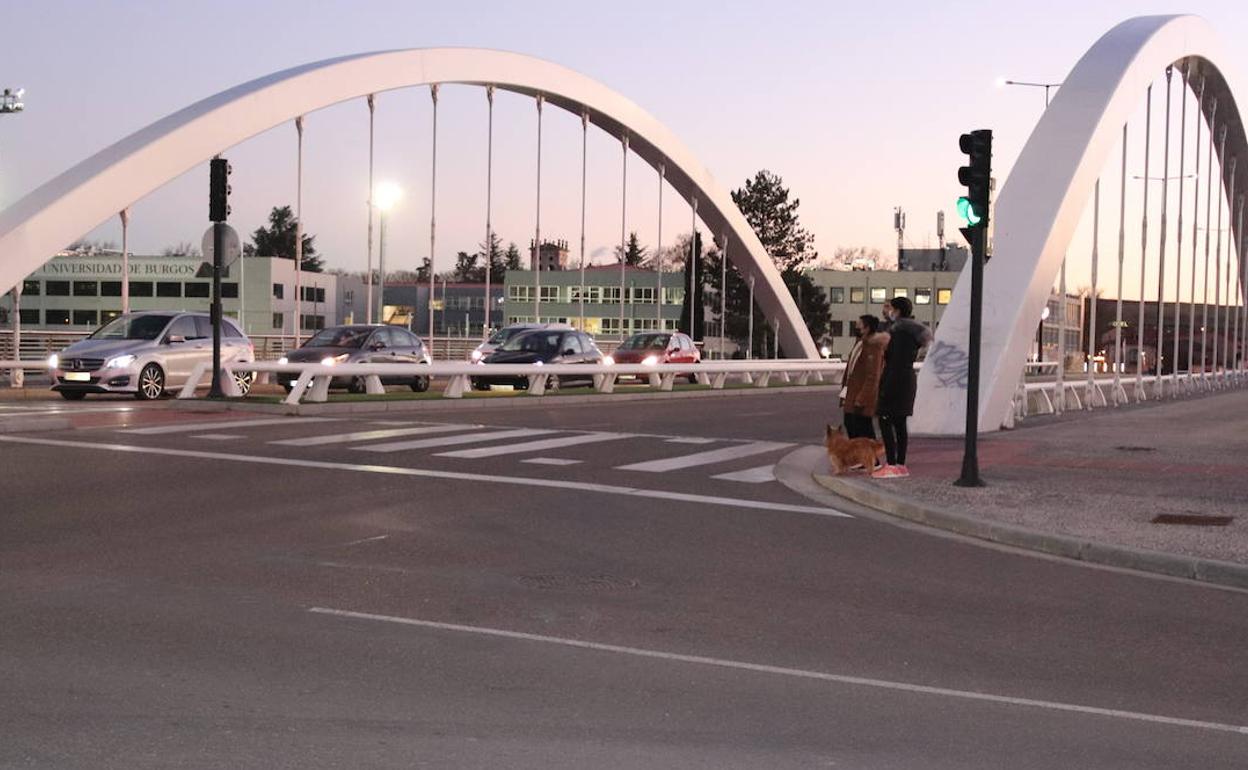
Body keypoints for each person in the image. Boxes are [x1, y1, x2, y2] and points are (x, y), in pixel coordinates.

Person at [872, 296, 933, 479]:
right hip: (907, 380)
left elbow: (894, 362)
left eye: (891, 308)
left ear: (897, 311)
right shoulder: (915, 333)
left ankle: (891, 463)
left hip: (895, 380)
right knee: (900, 424)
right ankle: (900, 464)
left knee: (885, 420)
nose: (888, 311)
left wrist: (884, 387)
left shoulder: (898, 333)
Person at [839, 315, 888, 439]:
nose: (856, 327)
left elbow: (873, 375)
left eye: (859, 324)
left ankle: (869, 458)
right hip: (851, 394)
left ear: (867, 328)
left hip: (861, 398)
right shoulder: (860, 344)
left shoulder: (873, 347)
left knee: (863, 430)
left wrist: (862, 398)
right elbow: (851, 368)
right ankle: (859, 457)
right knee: (851, 425)